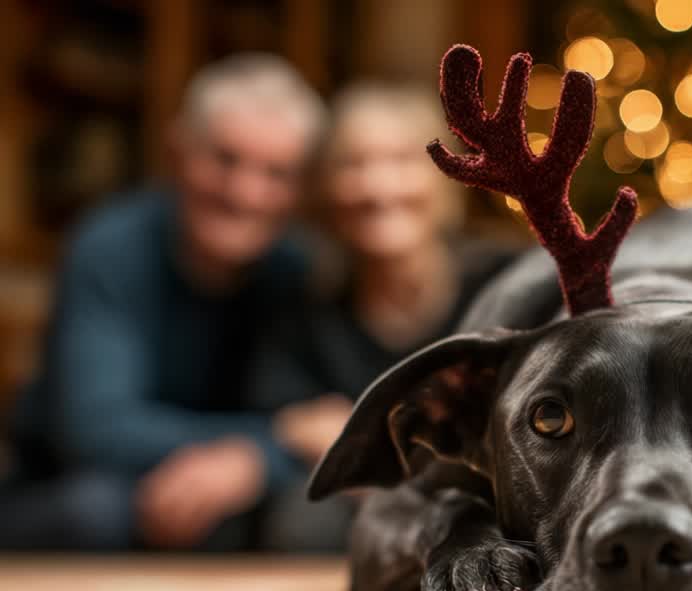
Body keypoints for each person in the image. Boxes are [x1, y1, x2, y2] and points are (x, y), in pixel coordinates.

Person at [0, 54, 325, 551]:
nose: (245, 193)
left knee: (305, 517)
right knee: (96, 509)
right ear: (178, 151)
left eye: (276, 173)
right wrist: (264, 443)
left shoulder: (296, 268)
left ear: (299, 189)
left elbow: (324, 427)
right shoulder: (108, 248)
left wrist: (254, 460)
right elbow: (95, 430)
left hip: (230, 496)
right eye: (224, 159)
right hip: (75, 488)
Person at [247, 82, 513, 534]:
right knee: (301, 520)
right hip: (356, 522)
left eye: (402, 161)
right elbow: (288, 421)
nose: (377, 186)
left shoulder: (502, 287)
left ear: (448, 174)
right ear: (326, 187)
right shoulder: (305, 304)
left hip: (481, 508)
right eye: (354, 164)